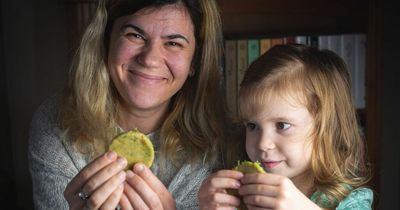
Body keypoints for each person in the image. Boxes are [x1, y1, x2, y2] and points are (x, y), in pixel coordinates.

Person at [28, 0, 231, 209]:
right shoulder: (55, 122)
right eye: (135, 35)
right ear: (106, 41)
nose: (150, 60)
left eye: (173, 43)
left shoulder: (228, 143)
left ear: (195, 61)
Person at [198, 44, 373, 210]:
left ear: (324, 127)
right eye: (252, 126)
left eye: (282, 125)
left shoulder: (350, 201)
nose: (263, 143)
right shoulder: (238, 194)